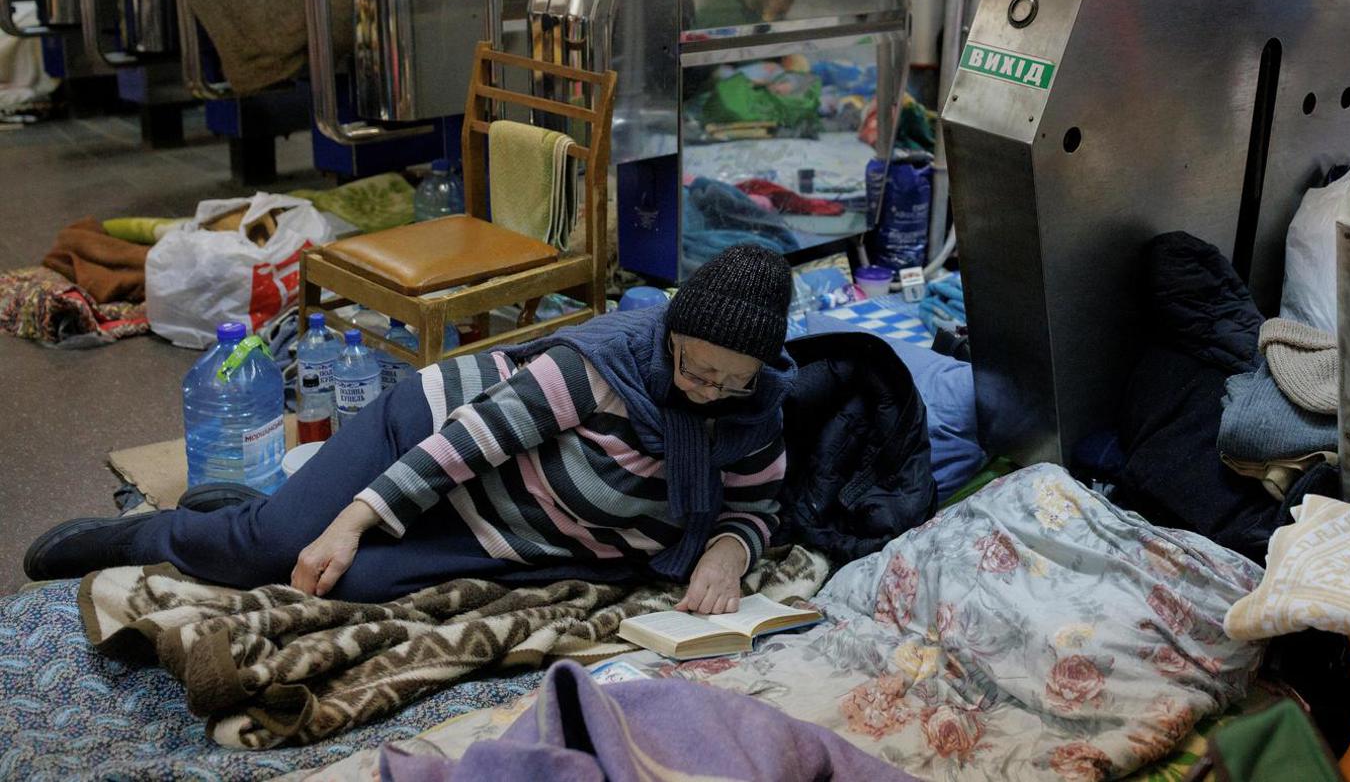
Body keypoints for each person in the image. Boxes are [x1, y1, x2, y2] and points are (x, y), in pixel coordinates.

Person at [24, 245, 797, 615]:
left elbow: (754, 505)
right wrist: (350, 522)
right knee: (279, 550)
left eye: (731, 383)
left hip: (514, 533)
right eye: (696, 370)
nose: (710, 393)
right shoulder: (601, 365)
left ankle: (244, 511)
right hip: (431, 437)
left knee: (340, 588)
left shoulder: (755, 409)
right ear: (670, 335)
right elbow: (469, 443)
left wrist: (727, 552)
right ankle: (141, 536)